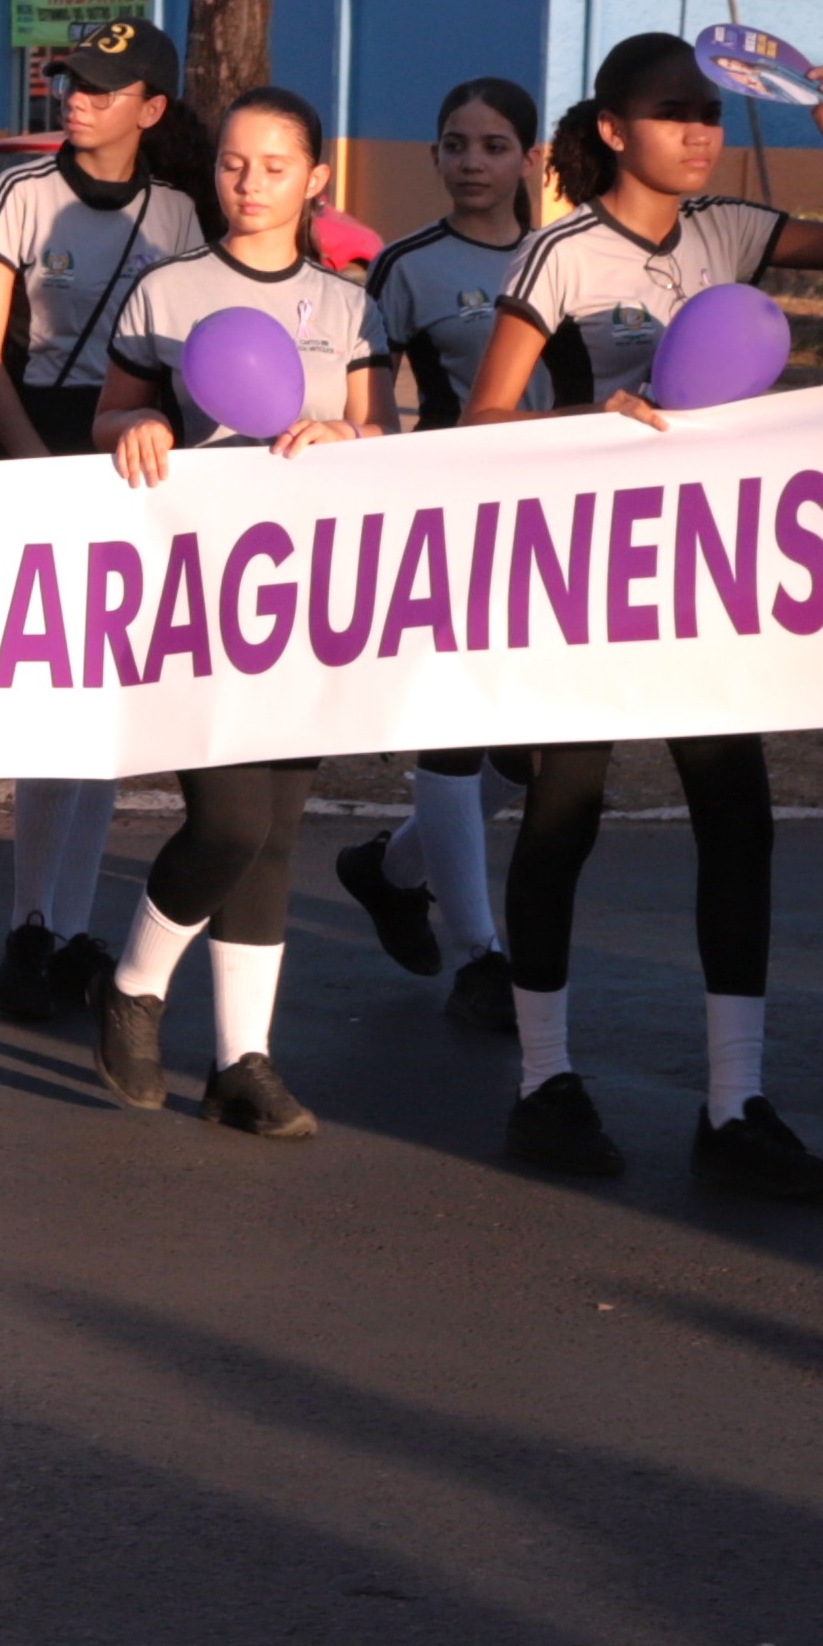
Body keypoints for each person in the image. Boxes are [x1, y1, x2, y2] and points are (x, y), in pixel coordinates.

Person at [462, 28, 823, 1189]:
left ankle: (735, 1106)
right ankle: (543, 1084)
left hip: (705, 574)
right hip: (579, 571)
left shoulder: (735, 230)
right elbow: (481, 420)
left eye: (710, 112)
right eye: (672, 112)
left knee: (737, 821)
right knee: (562, 813)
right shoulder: (559, 252)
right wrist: (592, 423)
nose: (700, 131)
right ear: (612, 130)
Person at [82, 87, 382, 1141]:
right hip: (194, 585)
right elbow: (111, 408)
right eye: (228, 163)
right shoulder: (165, 290)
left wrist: (348, 440)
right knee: (228, 818)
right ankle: (133, 984)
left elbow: (378, 436)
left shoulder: (349, 305)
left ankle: (241, 1063)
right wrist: (136, 425)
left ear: (314, 180)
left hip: (305, 591)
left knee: (277, 833)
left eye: (270, 165)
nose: (246, 182)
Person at [0, 18, 213, 1025]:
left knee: (107, 707)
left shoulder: (181, 215)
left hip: (131, 461)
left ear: (149, 109)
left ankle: (66, 932)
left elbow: (193, 357)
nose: (76, 98)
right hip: (33, 450)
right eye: (72, 80)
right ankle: (27, 928)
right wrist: (34, 468)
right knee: (48, 707)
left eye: (103, 88)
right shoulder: (18, 192)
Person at [338, 74, 543, 1030]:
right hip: (454, 513)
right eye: (454, 144)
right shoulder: (407, 266)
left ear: (528, 159)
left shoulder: (569, 258)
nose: (472, 162)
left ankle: (388, 870)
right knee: (452, 729)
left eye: (493, 144)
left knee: (534, 752)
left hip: (572, 520)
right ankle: (479, 955)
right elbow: (371, 407)